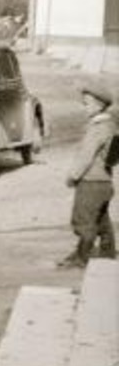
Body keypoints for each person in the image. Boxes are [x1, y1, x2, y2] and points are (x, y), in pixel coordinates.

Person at [60, 82, 116, 269]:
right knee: (101, 220)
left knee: (83, 221)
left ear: (99, 105)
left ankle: (82, 257)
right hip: (105, 183)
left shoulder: (97, 128)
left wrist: (73, 176)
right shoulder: (111, 126)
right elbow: (112, 158)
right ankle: (108, 253)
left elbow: (86, 156)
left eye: (87, 103)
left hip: (91, 182)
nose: (84, 107)